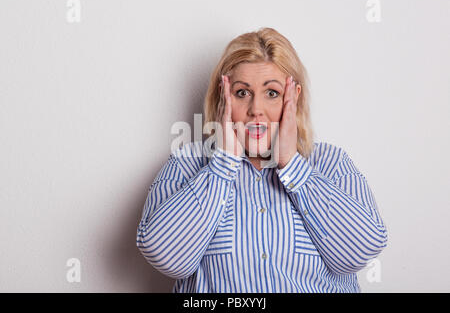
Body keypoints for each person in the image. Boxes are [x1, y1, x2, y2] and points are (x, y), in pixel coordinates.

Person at [136, 27, 388, 293]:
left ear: (293, 98)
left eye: (272, 93)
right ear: (223, 98)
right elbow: (167, 258)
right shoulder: (186, 163)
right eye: (242, 93)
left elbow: (362, 251)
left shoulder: (331, 163)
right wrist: (224, 163)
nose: (256, 109)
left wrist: (291, 164)